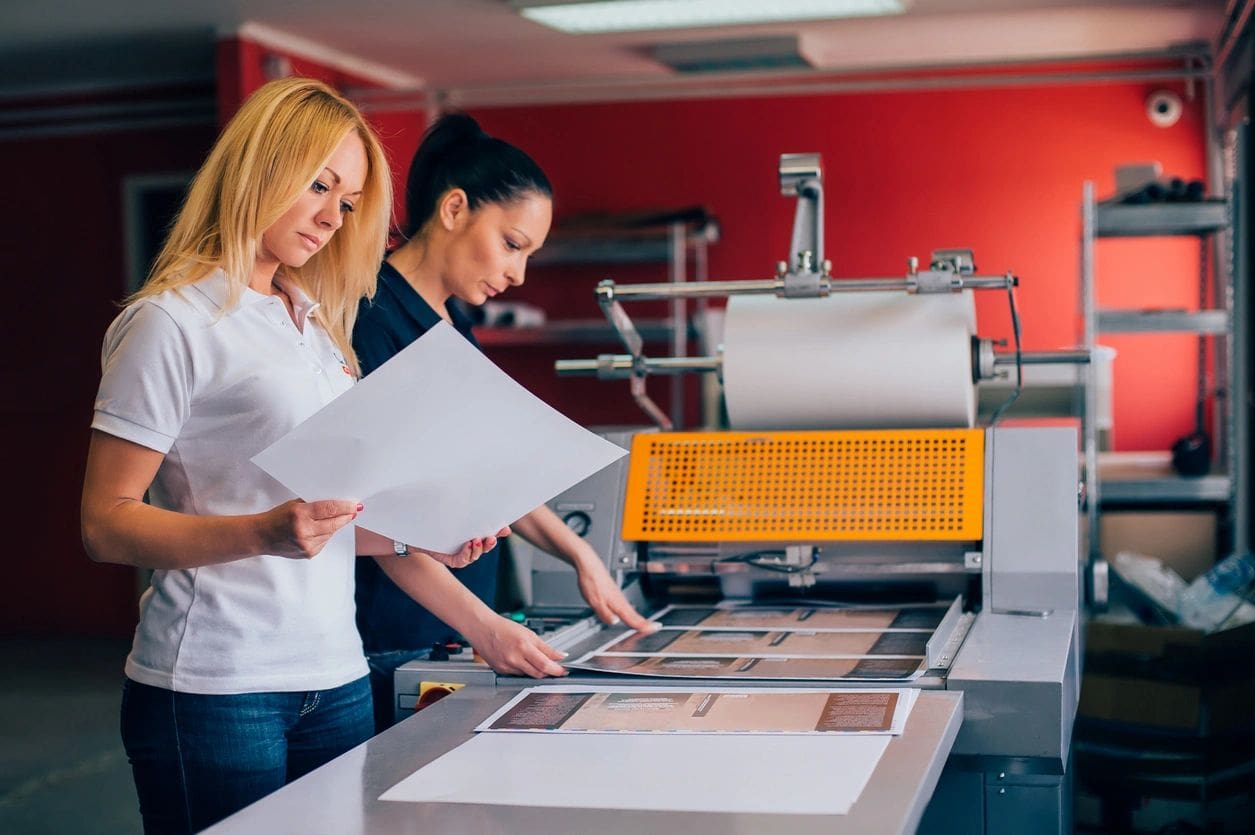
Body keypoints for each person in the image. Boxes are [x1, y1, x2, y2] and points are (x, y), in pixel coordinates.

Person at [79, 78, 518, 834]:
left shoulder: (313, 323)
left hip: (335, 674)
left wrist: (422, 534)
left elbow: (328, 520)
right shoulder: (169, 321)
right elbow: (106, 524)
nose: (330, 215)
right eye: (318, 184)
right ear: (258, 165)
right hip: (216, 687)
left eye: (346, 201)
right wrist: (260, 532)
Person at [353, 112, 656, 731]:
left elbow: (489, 472)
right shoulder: (371, 320)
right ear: (456, 208)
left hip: (458, 628)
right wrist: (484, 629)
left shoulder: (455, 325)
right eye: (512, 245)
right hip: (391, 635)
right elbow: (376, 514)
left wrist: (582, 556)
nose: (519, 274)